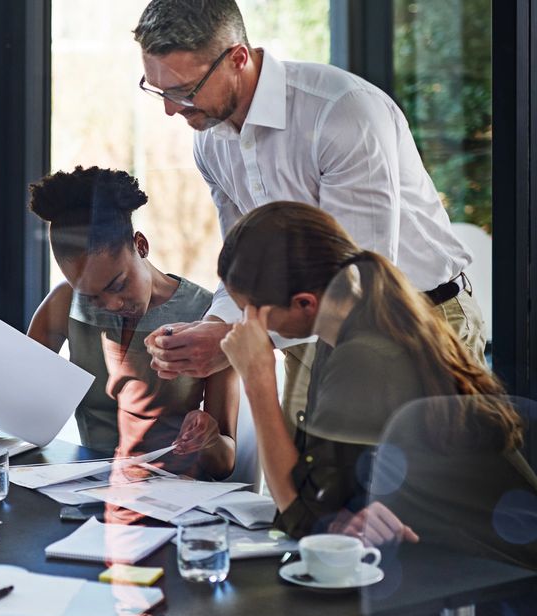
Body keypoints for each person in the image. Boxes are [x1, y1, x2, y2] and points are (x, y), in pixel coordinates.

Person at [131, 0, 484, 430]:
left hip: (414, 321)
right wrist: (213, 327)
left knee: (418, 491)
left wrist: (234, 342)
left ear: (238, 58)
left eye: (184, 91)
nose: (171, 109)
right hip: (302, 332)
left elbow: (359, 282)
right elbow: (243, 267)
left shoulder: (341, 113)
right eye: (158, 90)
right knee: (298, 490)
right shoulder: (210, 141)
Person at [218, 202, 535, 568]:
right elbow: (317, 494)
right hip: (444, 557)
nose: (245, 324)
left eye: (250, 311)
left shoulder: (366, 356)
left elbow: (304, 519)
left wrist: (257, 378)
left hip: (490, 573)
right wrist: (336, 515)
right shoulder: (347, 329)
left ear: (305, 302)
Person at [0, 167, 238, 479]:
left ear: (141, 245)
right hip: (84, 488)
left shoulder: (210, 317)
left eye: (118, 285)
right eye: (90, 296)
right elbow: (2, 418)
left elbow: (224, 463)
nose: (111, 305)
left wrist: (207, 437)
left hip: (175, 497)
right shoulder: (64, 303)